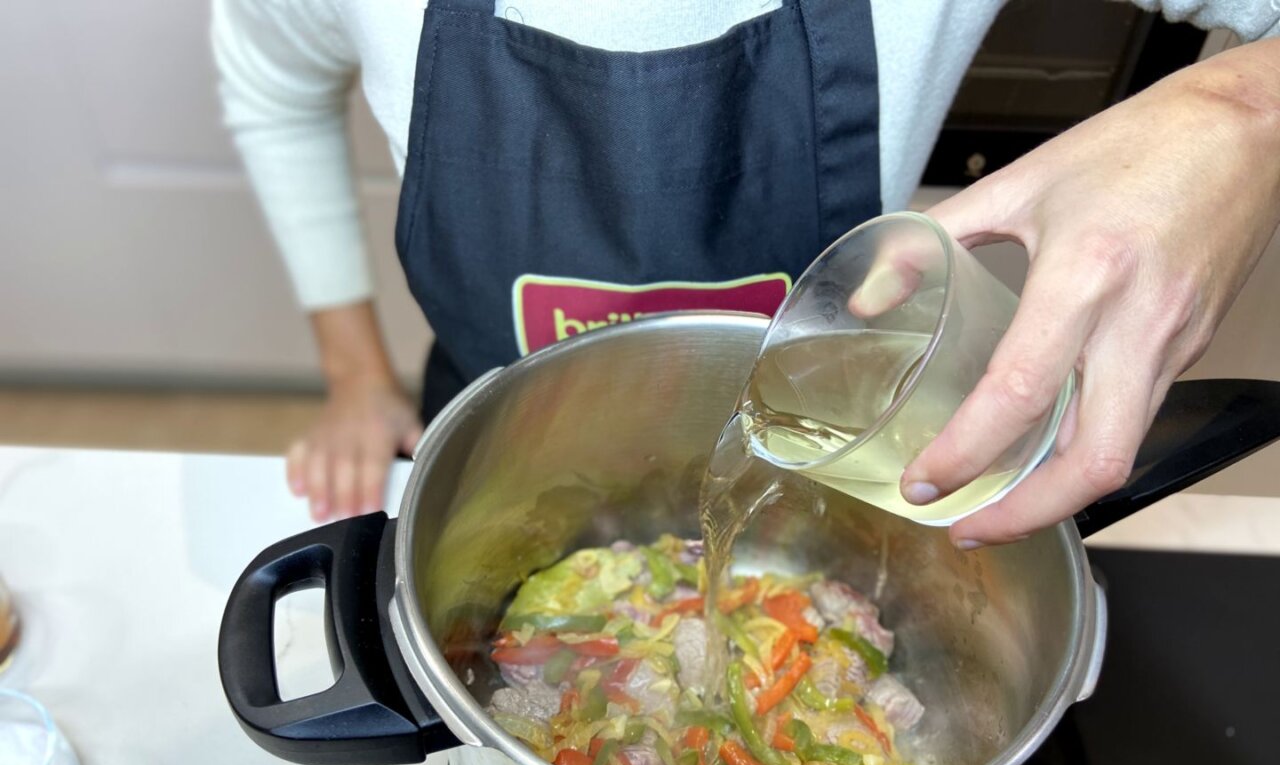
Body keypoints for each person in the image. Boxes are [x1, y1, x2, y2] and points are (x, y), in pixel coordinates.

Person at [213, 0, 1280, 548]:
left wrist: (1245, 113)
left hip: (827, 443)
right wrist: (353, 374)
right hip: (499, 430)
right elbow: (268, 81)